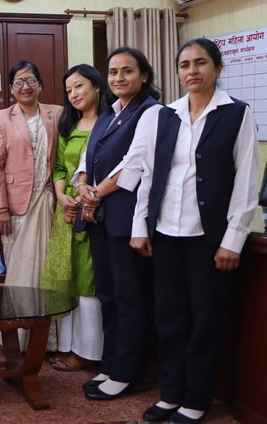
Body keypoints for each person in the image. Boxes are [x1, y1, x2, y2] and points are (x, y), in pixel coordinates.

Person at [129, 38, 258, 423]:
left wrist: (232, 240)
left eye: (200, 63)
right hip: (166, 234)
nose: (192, 71)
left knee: (204, 319)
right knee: (168, 318)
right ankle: (170, 394)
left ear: (217, 68)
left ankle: (196, 400)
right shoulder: (163, 115)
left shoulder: (236, 113)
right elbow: (149, 176)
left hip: (209, 240)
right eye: (184, 64)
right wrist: (141, 227)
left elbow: (246, 182)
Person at [76, 47, 161, 401]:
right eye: (113, 72)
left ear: (144, 76)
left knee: (129, 297)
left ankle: (128, 371)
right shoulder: (108, 114)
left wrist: (94, 194)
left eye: (127, 71)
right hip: (101, 217)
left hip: (127, 218)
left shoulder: (151, 112)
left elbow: (133, 165)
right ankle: (111, 363)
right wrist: (82, 187)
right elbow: (87, 159)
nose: (118, 78)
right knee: (108, 295)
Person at [0, 60, 61, 351]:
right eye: (19, 82)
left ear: (40, 84)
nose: (25, 87)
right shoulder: (1, 118)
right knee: (18, 271)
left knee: (46, 271)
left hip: (47, 201)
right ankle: (17, 337)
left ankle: (47, 340)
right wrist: (0, 208)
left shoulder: (57, 114)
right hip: (14, 207)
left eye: (31, 81)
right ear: (11, 88)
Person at [39, 64, 106, 372]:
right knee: (67, 278)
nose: (74, 94)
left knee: (88, 281)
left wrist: (82, 198)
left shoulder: (110, 123)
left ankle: (89, 351)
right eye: (69, 90)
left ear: (96, 87)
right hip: (66, 211)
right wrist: (62, 196)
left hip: (96, 211)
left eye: (79, 86)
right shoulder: (68, 126)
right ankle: (68, 346)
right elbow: (60, 169)